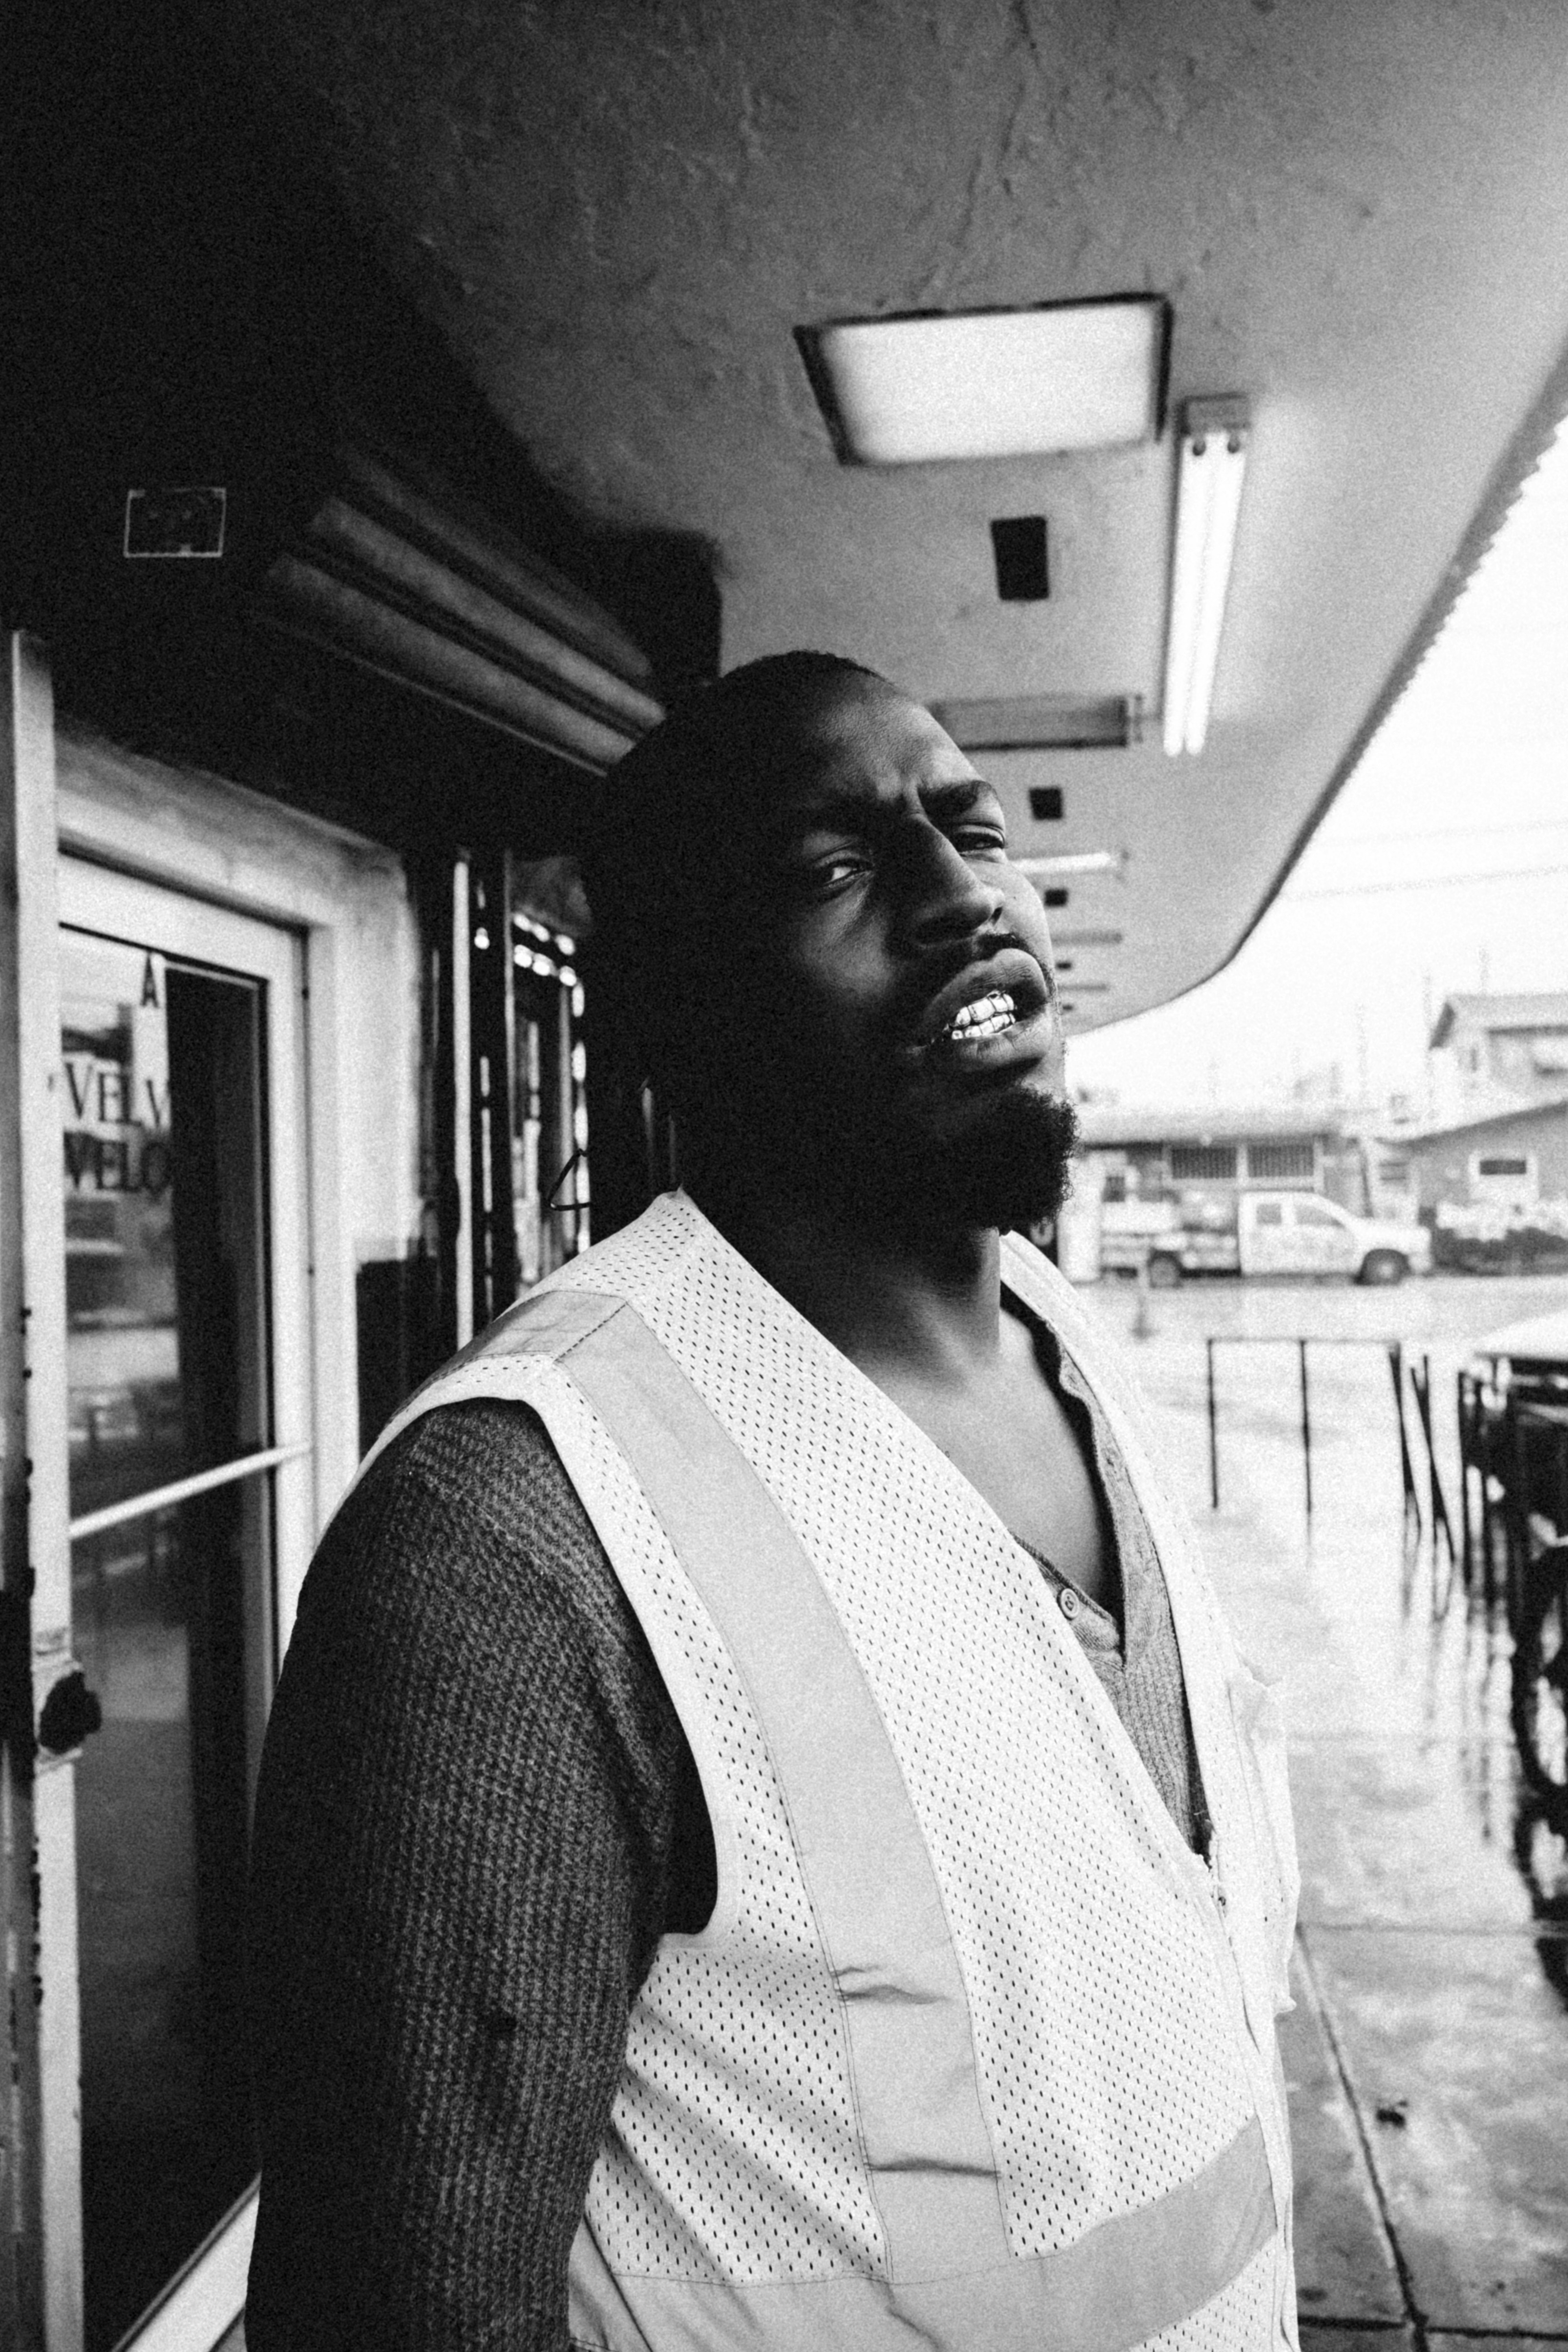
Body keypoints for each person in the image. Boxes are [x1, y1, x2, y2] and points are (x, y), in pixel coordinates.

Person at [245, 652, 1300, 2351]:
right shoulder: (517, 1535)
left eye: (970, 825)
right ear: (678, 1017)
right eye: (835, 866)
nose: (965, 895)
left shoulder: (1079, 1350)